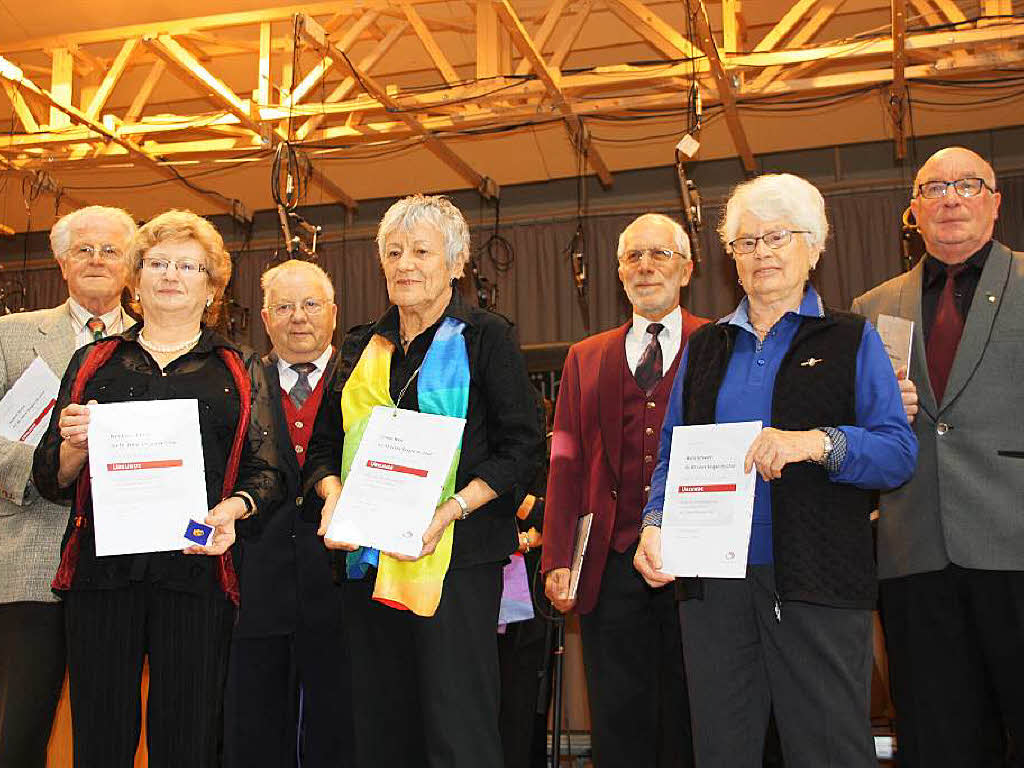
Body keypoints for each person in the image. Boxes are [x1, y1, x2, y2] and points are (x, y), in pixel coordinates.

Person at [634, 174, 917, 767]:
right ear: (730, 257)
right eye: (745, 242)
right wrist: (655, 525)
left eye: (776, 237)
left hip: (816, 581)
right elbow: (670, 456)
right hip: (713, 587)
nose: (760, 252)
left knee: (827, 750)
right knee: (722, 750)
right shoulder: (704, 347)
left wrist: (816, 443)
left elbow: (896, 452)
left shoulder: (849, 338)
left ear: (812, 248)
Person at [32, 209, 283, 767]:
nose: (171, 275)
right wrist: (74, 445)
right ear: (137, 278)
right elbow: (51, 475)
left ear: (212, 284)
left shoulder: (238, 367)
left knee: (188, 736)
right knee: (99, 736)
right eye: (158, 263)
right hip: (101, 575)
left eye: (188, 266)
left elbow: (268, 471)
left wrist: (235, 510)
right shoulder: (94, 360)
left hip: (197, 569)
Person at [304, 194, 542, 768]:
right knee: (384, 725)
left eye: (421, 251)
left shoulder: (487, 338)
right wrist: (332, 498)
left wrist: (451, 509)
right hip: (369, 560)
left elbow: (523, 449)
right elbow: (322, 448)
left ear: (456, 263)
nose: (405, 263)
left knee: (456, 723)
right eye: (393, 252)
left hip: (457, 562)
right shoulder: (362, 345)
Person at [851, 147, 1024, 767]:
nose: (951, 198)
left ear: (995, 202)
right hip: (912, 548)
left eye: (968, 184)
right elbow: (856, 437)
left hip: (1015, 542)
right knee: (935, 737)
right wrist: (872, 410)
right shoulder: (872, 309)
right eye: (934, 188)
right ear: (914, 210)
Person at [542, 212, 706, 767]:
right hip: (608, 567)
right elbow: (564, 461)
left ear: (686, 269)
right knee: (619, 721)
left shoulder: (719, 343)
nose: (646, 266)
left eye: (660, 254)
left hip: (698, 566)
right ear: (618, 272)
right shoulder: (584, 357)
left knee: (696, 718)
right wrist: (557, 556)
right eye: (633, 256)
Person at [0, 205, 135, 768]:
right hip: (32, 557)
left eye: (110, 250)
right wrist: (54, 467)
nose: (98, 260)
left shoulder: (168, 342)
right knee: (19, 729)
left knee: (109, 727)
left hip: (123, 564)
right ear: (61, 261)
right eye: (84, 249)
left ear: (131, 262)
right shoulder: (9, 336)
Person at [225, 259, 351, 768]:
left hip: (342, 583)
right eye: (284, 306)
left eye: (311, 304)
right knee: (253, 727)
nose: (298, 317)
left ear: (334, 313)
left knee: (341, 729)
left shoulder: (367, 378)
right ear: (264, 317)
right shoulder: (237, 382)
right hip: (256, 580)